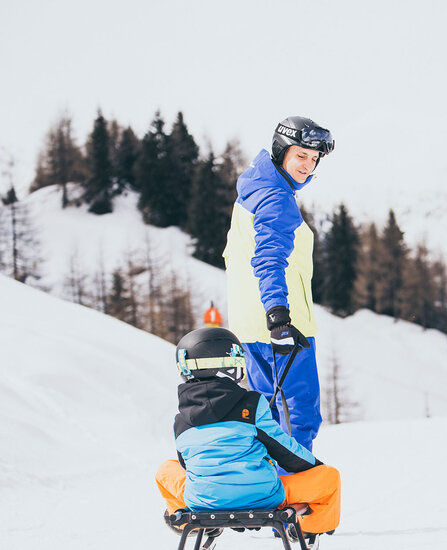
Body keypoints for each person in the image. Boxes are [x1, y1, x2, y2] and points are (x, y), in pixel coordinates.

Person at [155, 327, 341, 543]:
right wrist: (314, 466)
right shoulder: (252, 404)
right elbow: (286, 451)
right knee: (329, 477)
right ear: (232, 364)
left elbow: (188, 465)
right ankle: (307, 531)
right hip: (262, 496)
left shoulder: (181, 420)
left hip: (204, 501)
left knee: (165, 471)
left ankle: (193, 525)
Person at [223, 115, 334, 452]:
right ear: (281, 150)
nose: (308, 166)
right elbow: (268, 259)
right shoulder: (276, 200)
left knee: (266, 418)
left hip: (250, 329)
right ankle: (295, 498)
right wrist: (279, 318)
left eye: (314, 159)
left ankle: (269, 494)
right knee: (299, 418)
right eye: (301, 155)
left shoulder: (255, 188)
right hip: (282, 331)